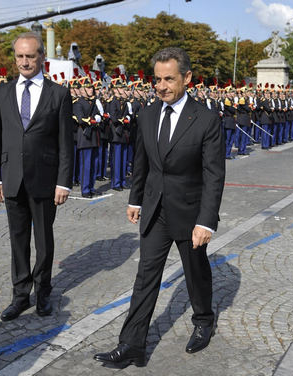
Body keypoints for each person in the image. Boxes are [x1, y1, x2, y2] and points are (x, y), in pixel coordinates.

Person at [93, 47, 225, 368]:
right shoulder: (148, 113)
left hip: (189, 213)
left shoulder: (206, 120)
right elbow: (143, 162)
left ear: (187, 78)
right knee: (145, 276)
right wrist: (135, 199)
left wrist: (205, 222)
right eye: (157, 79)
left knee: (195, 273)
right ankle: (131, 344)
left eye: (169, 79)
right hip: (155, 210)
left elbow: (213, 175)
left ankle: (203, 320)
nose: (162, 86)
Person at [0, 32, 74, 322]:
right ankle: (20, 295)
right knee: (17, 239)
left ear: (42, 58)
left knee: (44, 241)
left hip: (45, 180)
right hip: (12, 177)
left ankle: (44, 292)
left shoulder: (59, 94)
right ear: (15, 59)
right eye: (20, 56)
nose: (25, 61)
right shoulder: (2, 92)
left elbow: (65, 142)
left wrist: (63, 182)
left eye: (31, 56)